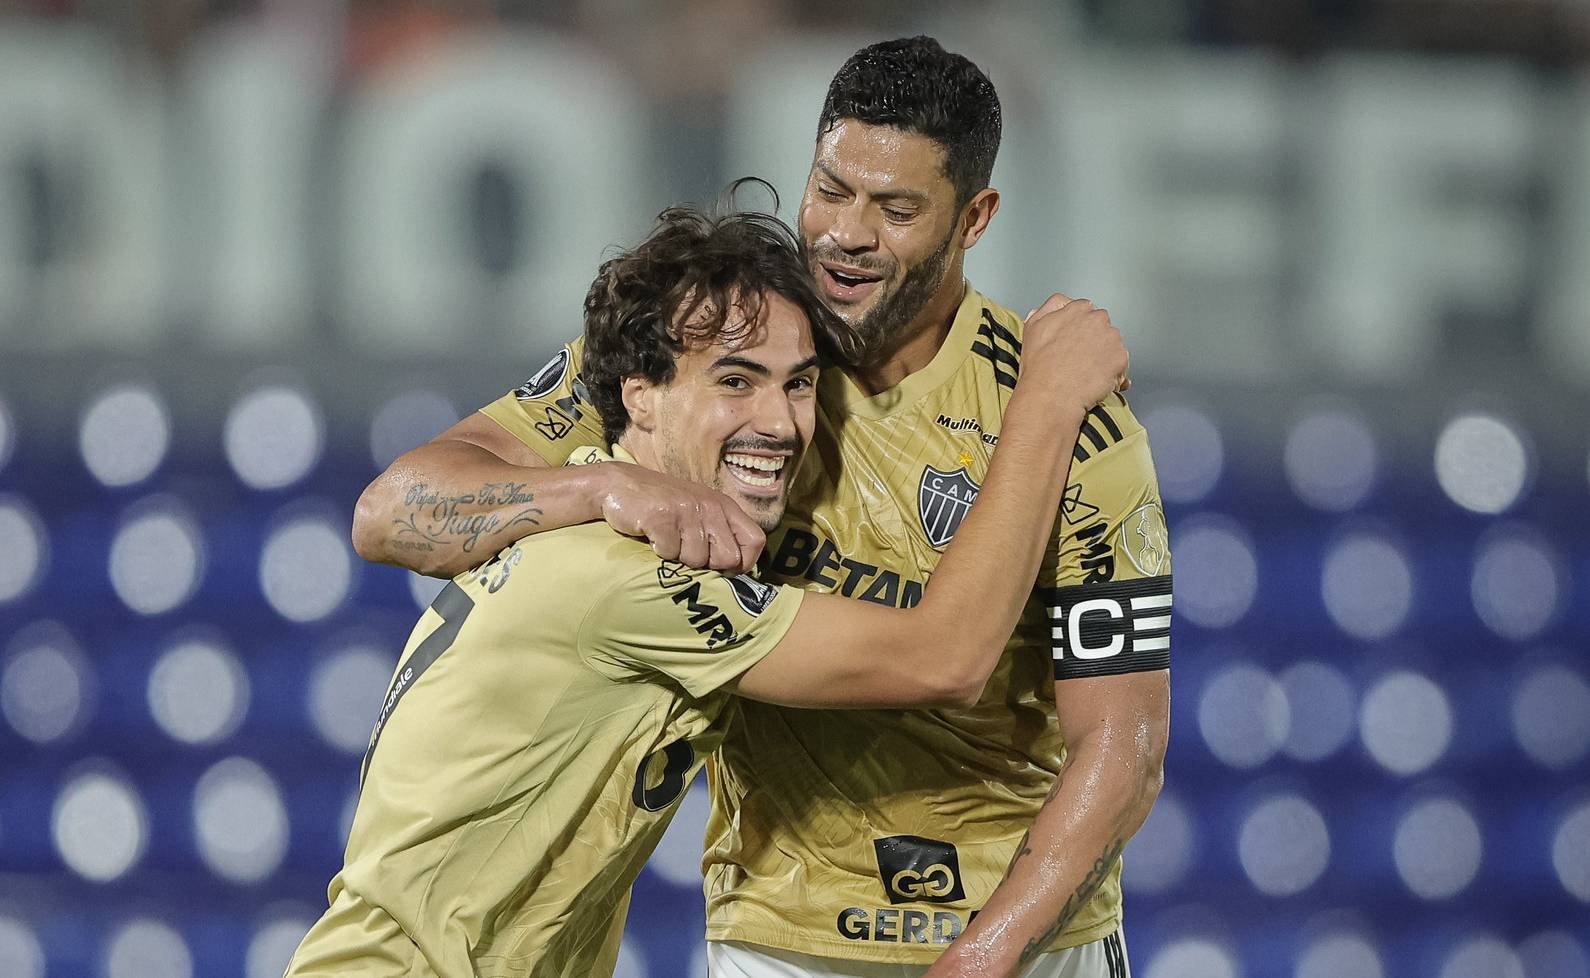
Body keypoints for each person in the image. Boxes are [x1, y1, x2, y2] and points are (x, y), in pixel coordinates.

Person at [352, 37, 1170, 978]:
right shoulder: (706, 353)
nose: (847, 235)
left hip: (1018, 941)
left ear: (974, 218)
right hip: (777, 937)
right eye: (830, 190)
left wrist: (984, 955)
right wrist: (600, 482)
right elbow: (394, 511)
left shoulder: (1069, 419)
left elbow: (1124, 745)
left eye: (897, 209)